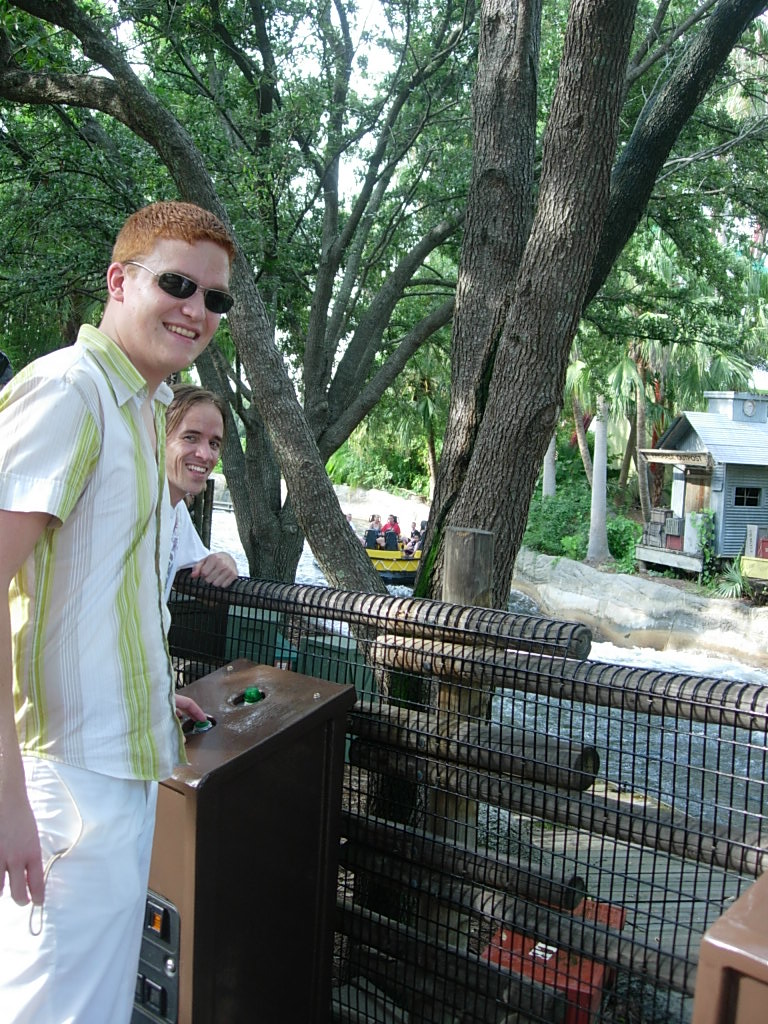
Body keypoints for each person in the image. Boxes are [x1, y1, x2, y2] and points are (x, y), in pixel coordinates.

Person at [0, 200, 235, 1023]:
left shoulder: (140, 409)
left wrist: (145, 694)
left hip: (122, 768)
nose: (197, 309)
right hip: (63, 781)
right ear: (119, 280)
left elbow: (98, 591)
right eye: (178, 283)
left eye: (216, 299)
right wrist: (5, 794)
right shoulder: (70, 392)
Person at [164, 383, 238, 602]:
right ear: (156, 436)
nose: (205, 455)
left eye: (214, 443)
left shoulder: (176, 514)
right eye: (190, 437)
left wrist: (225, 560)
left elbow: (203, 563)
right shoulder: (126, 502)